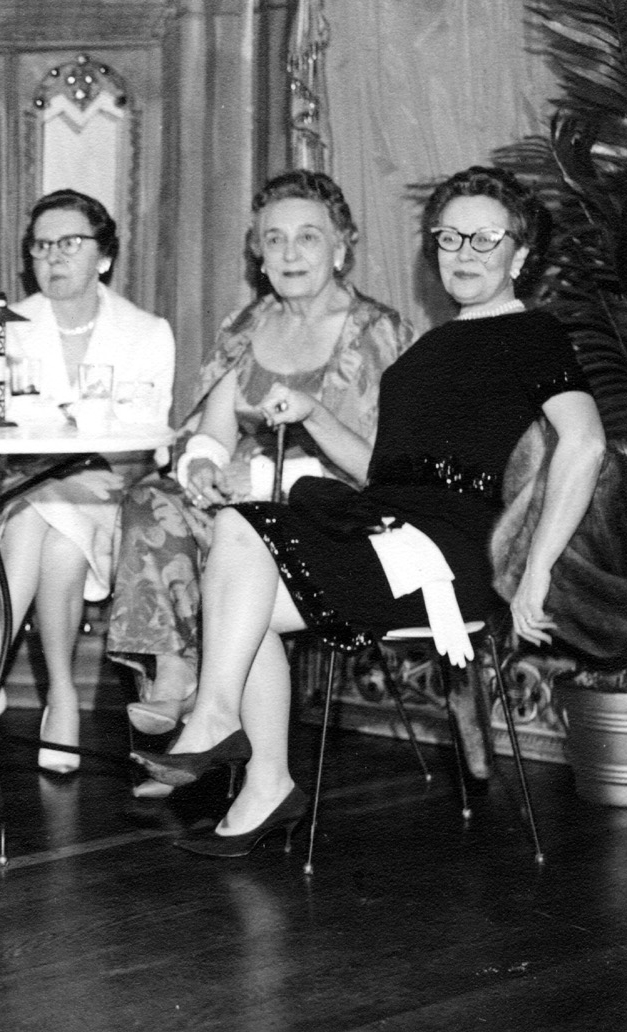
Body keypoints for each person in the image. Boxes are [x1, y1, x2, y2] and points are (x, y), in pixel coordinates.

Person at [130, 166, 606, 855]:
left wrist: (537, 570)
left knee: (242, 540)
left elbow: (585, 445)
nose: (464, 253)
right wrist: (315, 413)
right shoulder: (428, 348)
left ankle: (213, 716)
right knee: (244, 585)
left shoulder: (533, 333)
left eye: (485, 239)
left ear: (519, 255)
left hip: (449, 553)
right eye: (449, 237)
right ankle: (265, 782)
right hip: (387, 527)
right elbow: (383, 472)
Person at [107, 170, 411, 749]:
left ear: (340, 248)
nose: (290, 253)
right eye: (275, 239)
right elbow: (215, 428)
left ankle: (208, 706)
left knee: (232, 526)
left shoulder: (375, 332)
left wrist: (264, 478)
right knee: (149, 497)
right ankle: (175, 669)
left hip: (332, 512)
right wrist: (202, 465)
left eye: (308, 237)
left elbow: (376, 466)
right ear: (259, 254)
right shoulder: (247, 325)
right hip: (240, 495)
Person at [0, 189, 176, 773]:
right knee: (45, 520)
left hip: (110, 490)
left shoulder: (147, 332)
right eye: (41, 246)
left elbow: (145, 441)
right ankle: (61, 696)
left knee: (52, 527)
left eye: (70, 243)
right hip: (21, 486)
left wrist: (65, 437)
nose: (54, 257)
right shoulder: (5, 328)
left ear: (104, 256)